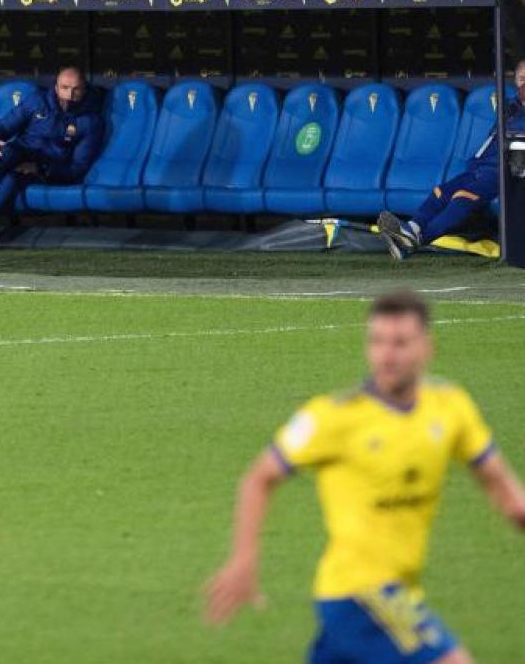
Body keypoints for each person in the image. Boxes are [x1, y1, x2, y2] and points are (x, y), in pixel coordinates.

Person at [205, 290, 525, 664]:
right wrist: (243, 560)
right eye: (378, 342)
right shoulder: (333, 418)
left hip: (387, 592)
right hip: (360, 592)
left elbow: (502, 487)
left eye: (400, 343)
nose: (387, 355)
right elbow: (259, 478)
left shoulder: (451, 408)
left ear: (427, 348)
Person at [378, 60, 525, 259]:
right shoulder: (509, 106)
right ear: (515, 81)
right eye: (521, 79)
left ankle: (417, 240)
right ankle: (411, 228)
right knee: (441, 192)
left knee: (462, 198)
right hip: (481, 167)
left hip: (507, 170)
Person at [0, 67, 105, 251]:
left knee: (13, 179)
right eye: (65, 88)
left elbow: (77, 168)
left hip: (47, 167)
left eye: (76, 89)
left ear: (84, 89)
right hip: (20, 153)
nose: (69, 95)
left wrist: (39, 169)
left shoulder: (91, 121)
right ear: (56, 87)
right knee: (4, 151)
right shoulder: (37, 101)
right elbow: (3, 127)